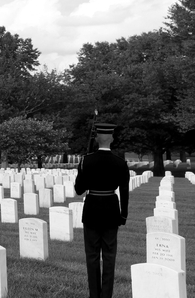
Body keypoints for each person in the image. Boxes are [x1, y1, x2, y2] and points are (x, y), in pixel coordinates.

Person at [74, 122, 129, 298]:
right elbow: (125, 192)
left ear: (97, 138)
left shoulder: (86, 161)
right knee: (109, 256)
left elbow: (79, 190)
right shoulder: (120, 163)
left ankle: (94, 295)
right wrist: (123, 214)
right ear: (112, 138)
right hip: (112, 211)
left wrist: (81, 170)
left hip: (91, 211)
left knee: (91, 256)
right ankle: (106, 295)